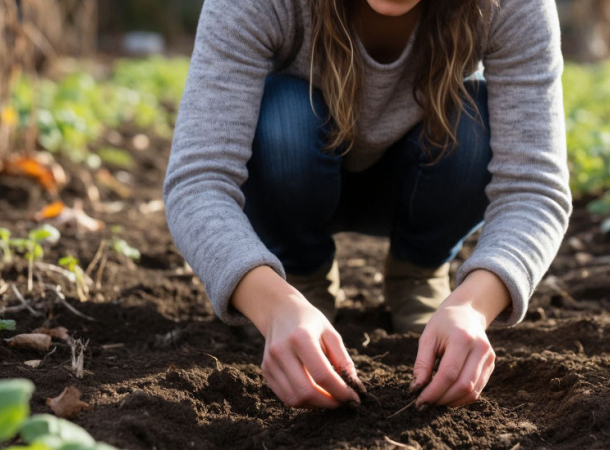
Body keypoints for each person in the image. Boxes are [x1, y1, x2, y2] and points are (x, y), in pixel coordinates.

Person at [164, 0, 571, 410]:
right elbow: (199, 179)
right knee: (282, 119)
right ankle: (300, 276)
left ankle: (418, 269)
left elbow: (534, 189)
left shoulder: (514, 7)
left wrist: (473, 305)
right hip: (294, 178)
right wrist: (273, 305)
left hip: (424, 180)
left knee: (472, 125)